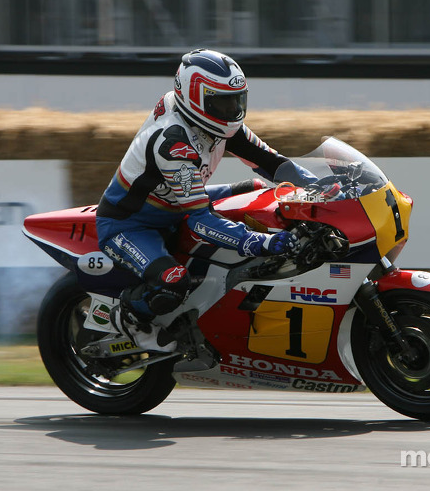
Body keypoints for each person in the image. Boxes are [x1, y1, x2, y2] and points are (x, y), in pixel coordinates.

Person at [96, 49, 313, 352]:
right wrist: (261, 242)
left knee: (257, 189)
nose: (232, 109)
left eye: (237, 100)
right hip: (131, 223)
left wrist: (320, 185)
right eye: (222, 101)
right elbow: (200, 221)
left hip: (177, 204)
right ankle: (128, 317)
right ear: (196, 99)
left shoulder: (214, 123)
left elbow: (272, 162)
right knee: (173, 281)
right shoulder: (174, 144)